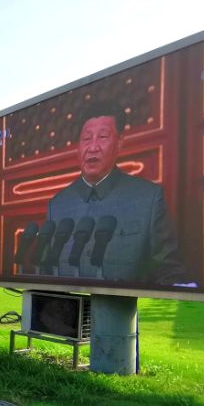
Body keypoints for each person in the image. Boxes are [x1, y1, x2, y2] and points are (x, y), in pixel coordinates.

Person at [45, 102, 185, 284]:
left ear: (119, 143)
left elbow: (169, 275)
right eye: (86, 139)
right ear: (78, 147)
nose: (93, 147)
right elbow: (46, 272)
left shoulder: (148, 198)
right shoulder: (57, 205)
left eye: (103, 137)